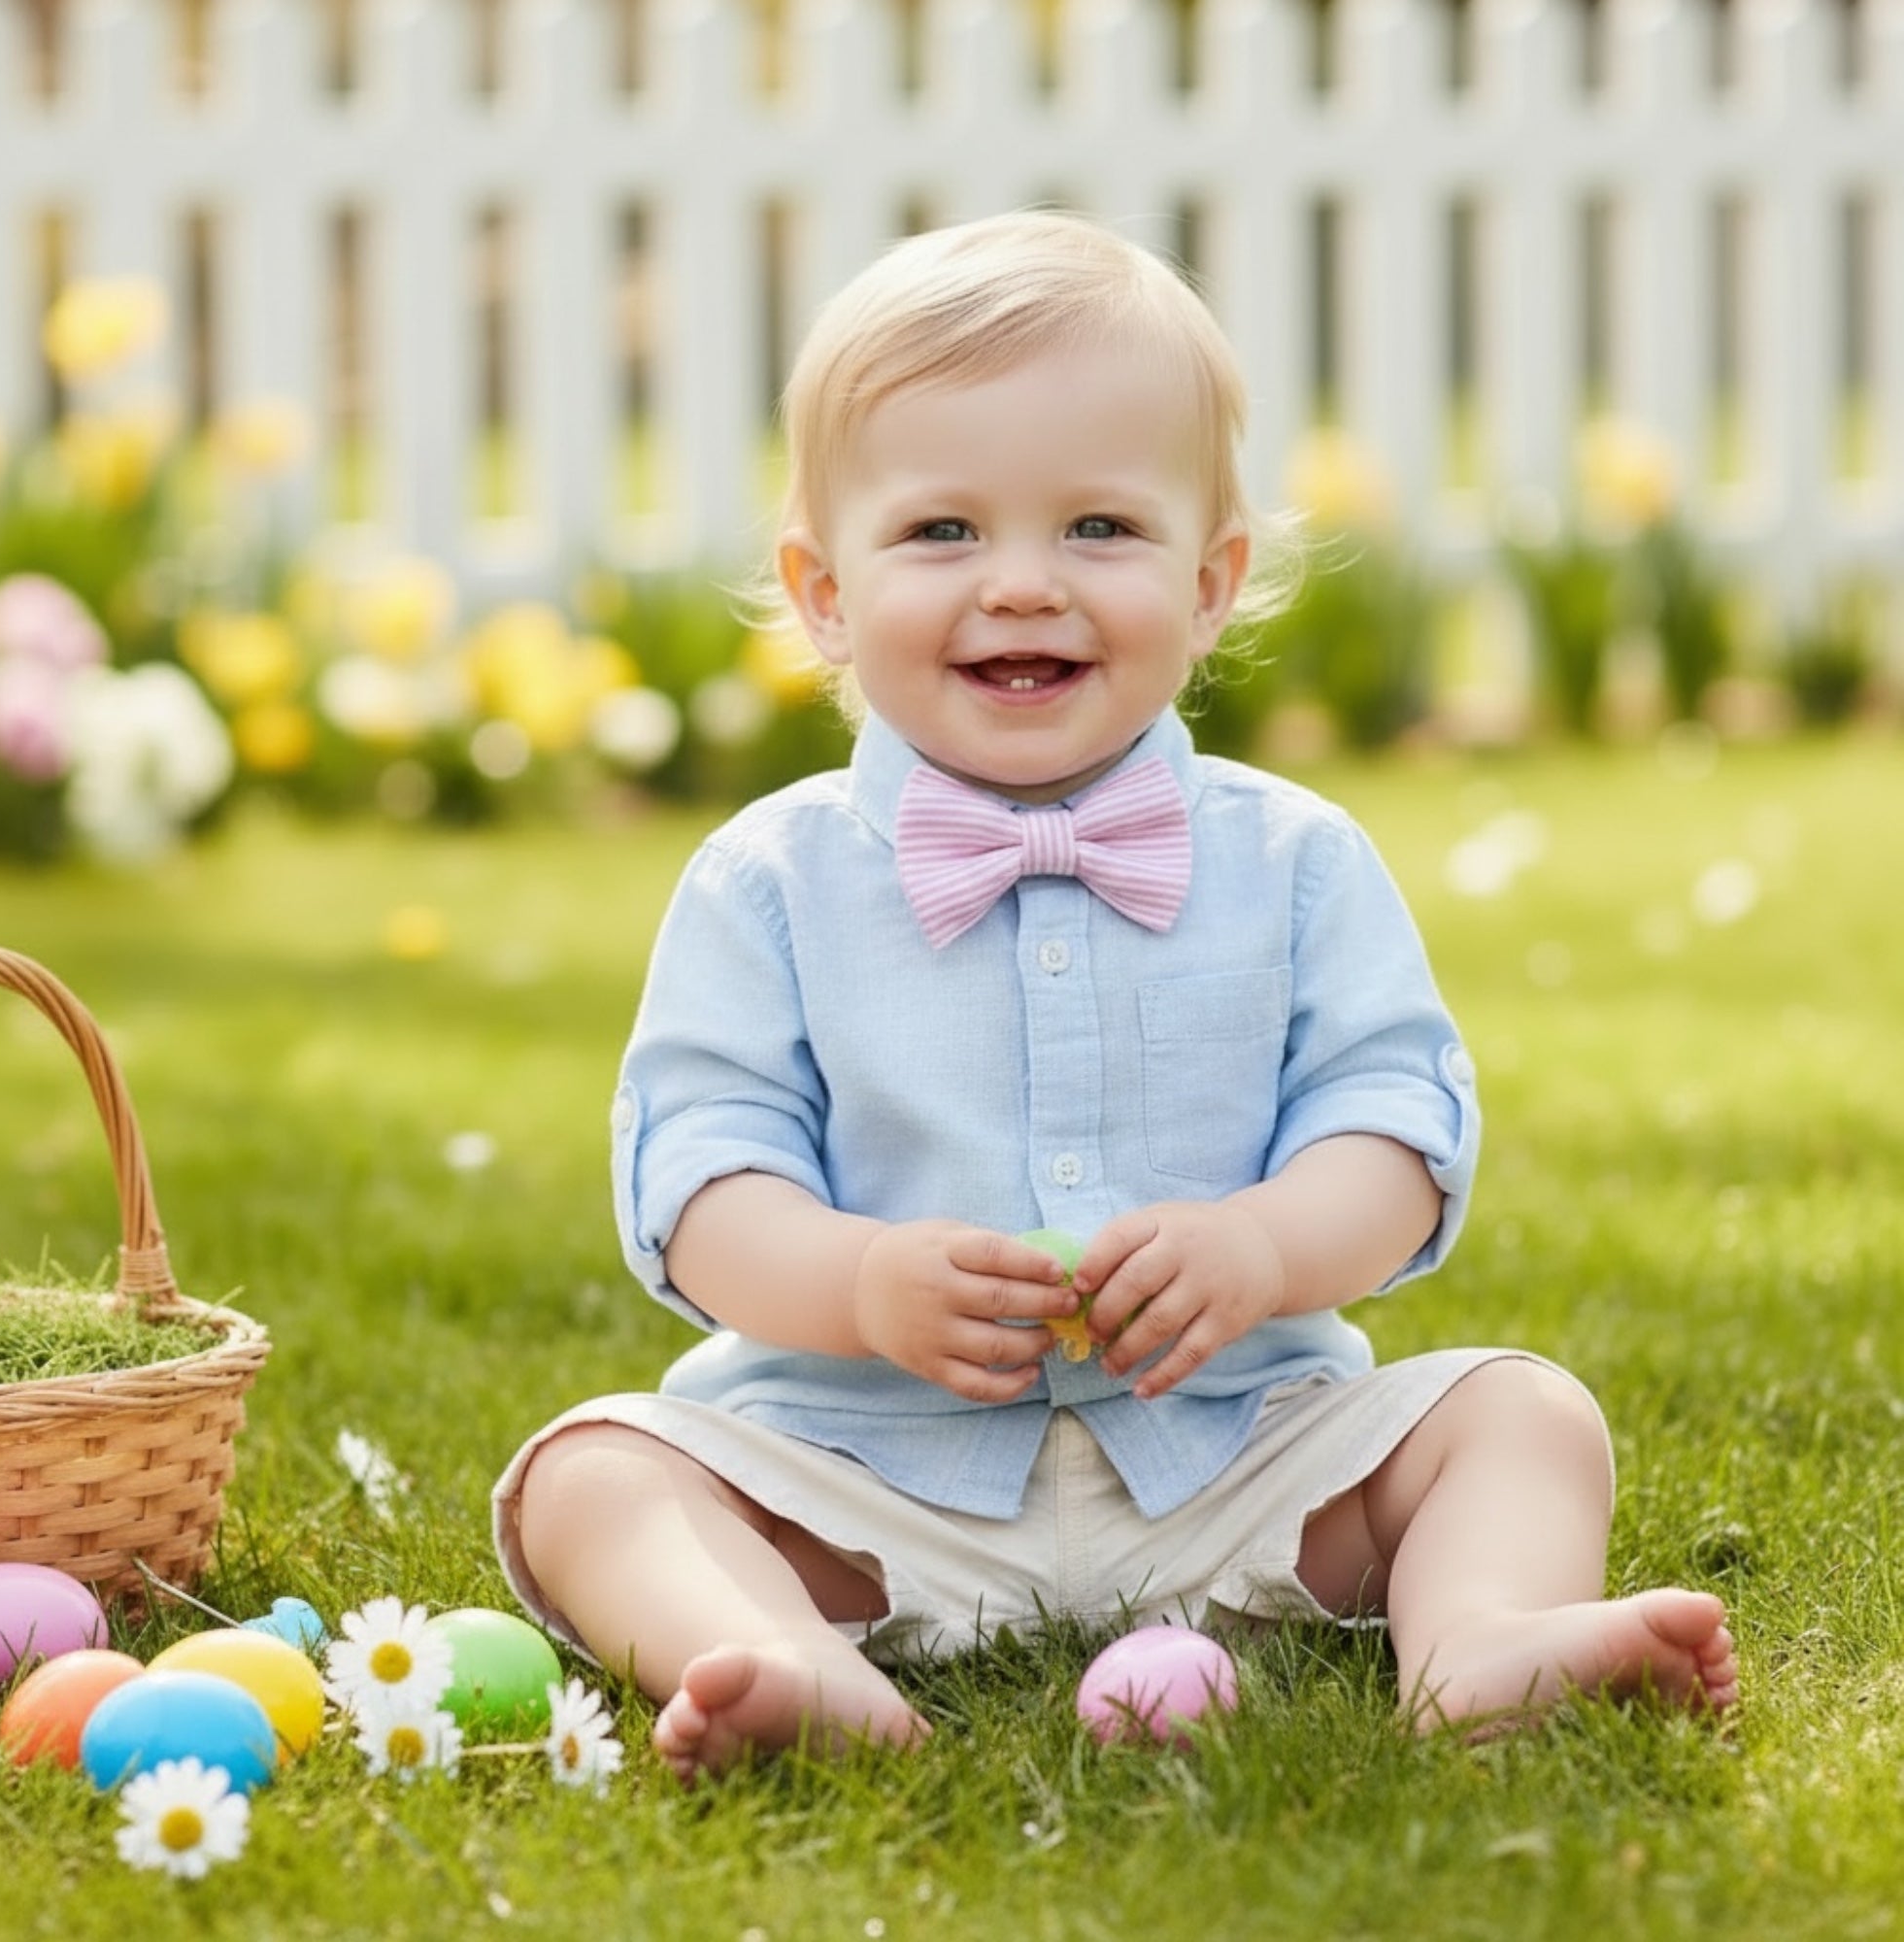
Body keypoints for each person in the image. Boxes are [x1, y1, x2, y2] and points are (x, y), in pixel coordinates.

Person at [492, 210, 1737, 1781]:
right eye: (942, 532)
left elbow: (1394, 1126)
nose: (1024, 586)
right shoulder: (770, 880)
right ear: (822, 591)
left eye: (1099, 529)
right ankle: (788, 1662)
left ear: (1210, 583)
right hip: (866, 1484)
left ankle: (1479, 1643)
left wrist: (1262, 1244)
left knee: (1524, 1415)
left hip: (1243, 1468)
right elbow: (698, 1177)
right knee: (596, 1475)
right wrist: (863, 1281)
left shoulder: (1295, 858)